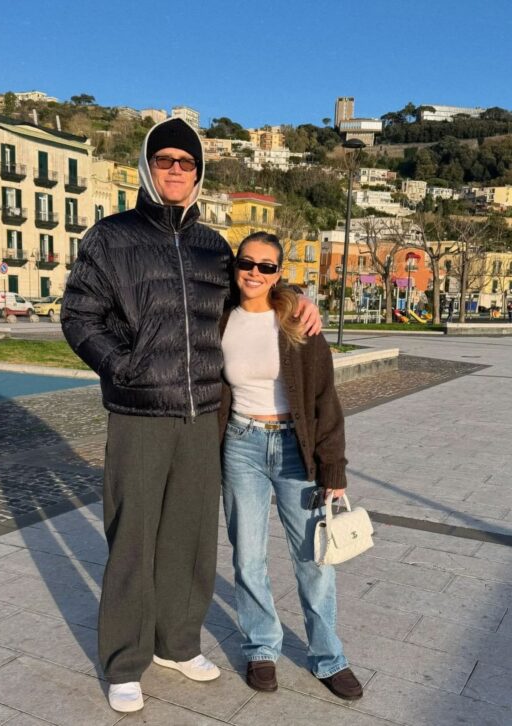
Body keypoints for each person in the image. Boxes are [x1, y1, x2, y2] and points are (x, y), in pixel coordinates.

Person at [61, 119, 320, 713]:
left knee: (191, 534)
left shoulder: (212, 246)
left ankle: (177, 642)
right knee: (133, 535)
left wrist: (299, 299)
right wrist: (120, 366)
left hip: (203, 414)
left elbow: (250, 298)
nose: (175, 169)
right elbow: (78, 316)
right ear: (147, 166)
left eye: (186, 162)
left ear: (199, 173)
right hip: (139, 411)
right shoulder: (110, 238)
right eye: (165, 160)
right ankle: (124, 660)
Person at [219, 232, 363, 701]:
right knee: (247, 556)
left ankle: (328, 657)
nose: (255, 273)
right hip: (240, 445)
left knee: (312, 558)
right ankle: (262, 647)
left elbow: (325, 398)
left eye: (266, 266)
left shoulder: (297, 320)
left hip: (294, 448)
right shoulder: (221, 317)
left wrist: (333, 468)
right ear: (236, 265)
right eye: (247, 263)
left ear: (279, 273)